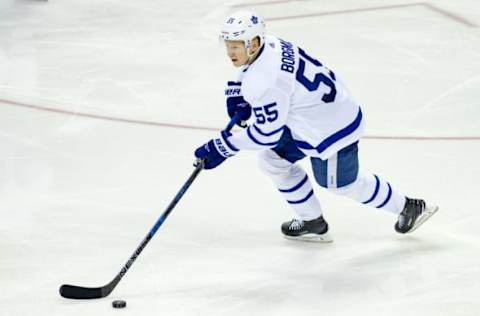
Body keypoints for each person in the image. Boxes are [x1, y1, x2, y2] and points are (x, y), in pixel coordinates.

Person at [193, 11, 438, 242]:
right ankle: (313, 222)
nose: (230, 52)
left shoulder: (264, 83)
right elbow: (256, 75)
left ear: (253, 43)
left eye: (235, 46)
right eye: (228, 45)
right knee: (272, 160)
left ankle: (408, 206)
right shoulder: (273, 43)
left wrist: (222, 147)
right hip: (316, 114)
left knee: (340, 184)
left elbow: (266, 134)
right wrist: (238, 91)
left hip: (330, 131)